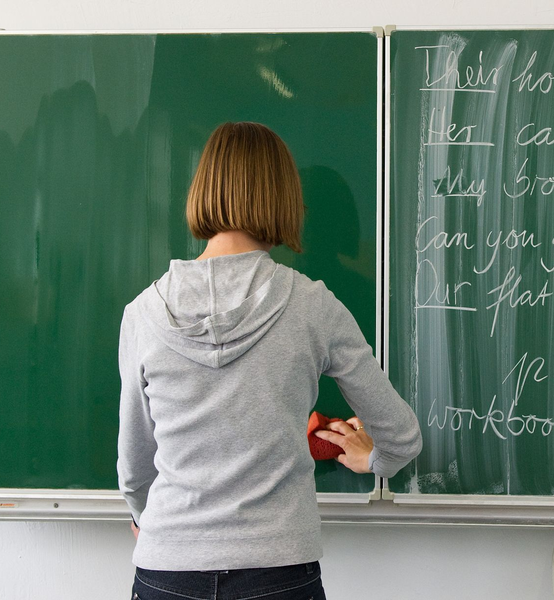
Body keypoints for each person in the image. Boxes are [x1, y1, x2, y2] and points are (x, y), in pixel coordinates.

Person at [117, 121, 422, 600]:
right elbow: (402, 439)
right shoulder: (314, 307)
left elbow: (135, 467)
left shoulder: (143, 314)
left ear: (203, 192)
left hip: (168, 568)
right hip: (279, 570)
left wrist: (146, 520)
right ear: (283, 199)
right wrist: (375, 459)